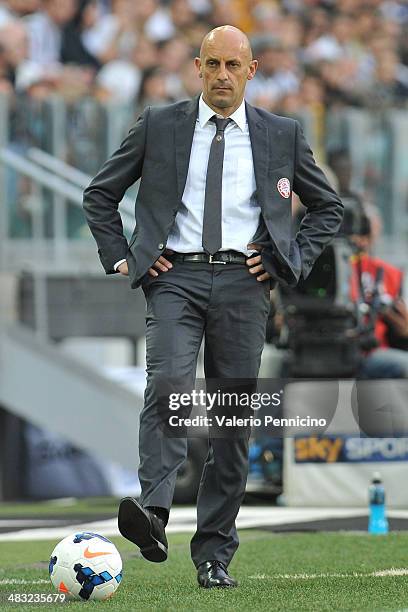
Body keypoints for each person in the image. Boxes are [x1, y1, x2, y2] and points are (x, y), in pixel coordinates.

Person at [83, 25, 343, 588]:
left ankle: (213, 554)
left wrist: (284, 260)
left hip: (245, 285)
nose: (222, 75)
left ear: (252, 72)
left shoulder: (282, 134)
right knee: (168, 385)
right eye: (212, 64)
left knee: (231, 421)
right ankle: (153, 513)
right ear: (197, 69)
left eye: (233, 65)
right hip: (174, 275)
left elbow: (328, 208)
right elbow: (100, 193)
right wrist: (125, 257)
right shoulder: (159, 124)